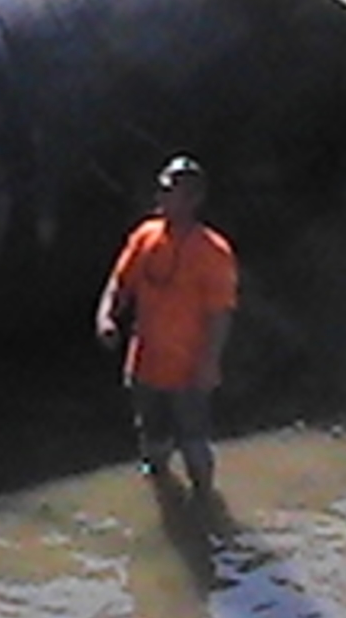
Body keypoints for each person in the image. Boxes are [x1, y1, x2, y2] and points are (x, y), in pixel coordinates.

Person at [94, 154, 238, 499]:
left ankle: (205, 504)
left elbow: (220, 314)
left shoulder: (213, 251)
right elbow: (120, 282)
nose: (160, 197)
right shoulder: (145, 236)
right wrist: (106, 317)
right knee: (151, 437)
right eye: (161, 189)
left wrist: (208, 364)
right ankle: (161, 491)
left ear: (193, 199)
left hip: (189, 370)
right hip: (145, 365)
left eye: (170, 191)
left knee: (194, 444)